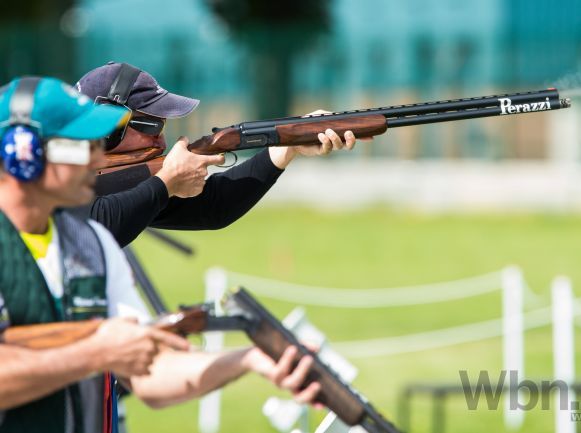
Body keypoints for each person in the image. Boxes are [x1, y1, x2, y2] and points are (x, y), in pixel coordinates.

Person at [0, 77, 320, 433]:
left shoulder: (94, 246)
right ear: (21, 155)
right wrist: (95, 352)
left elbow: (150, 372)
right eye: (79, 147)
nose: (94, 157)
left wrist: (250, 359)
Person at [75, 62, 359, 247]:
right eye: (151, 124)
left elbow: (213, 208)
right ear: (108, 128)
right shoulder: (43, 166)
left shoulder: (126, 183)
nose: (161, 138)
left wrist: (286, 147)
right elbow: (96, 226)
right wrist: (168, 181)